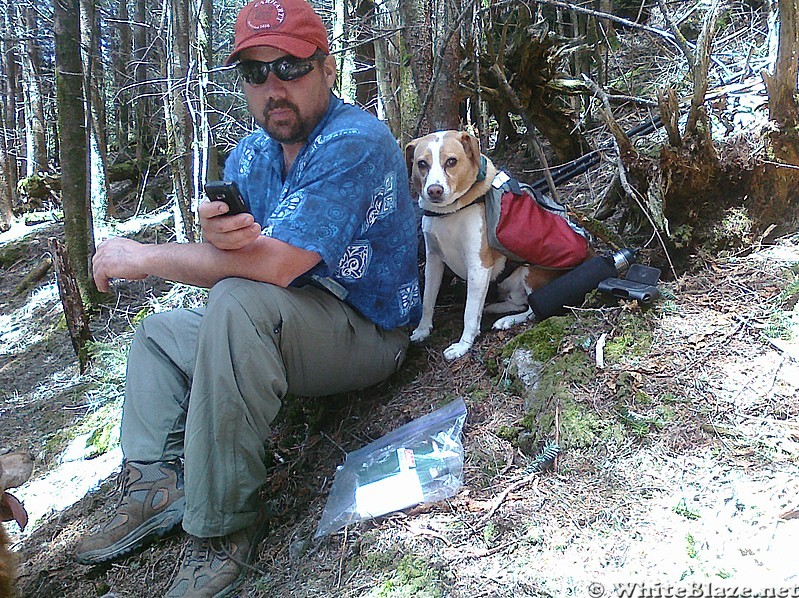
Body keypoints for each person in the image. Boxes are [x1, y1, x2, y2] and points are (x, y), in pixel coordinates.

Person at [74, 0, 421, 595]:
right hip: (291, 321)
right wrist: (217, 236)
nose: (273, 87)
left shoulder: (355, 140)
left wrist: (144, 256)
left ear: (327, 67)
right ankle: (156, 488)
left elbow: (276, 266)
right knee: (160, 336)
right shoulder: (251, 154)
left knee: (234, 301)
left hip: (368, 331)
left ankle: (221, 529)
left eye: (290, 66)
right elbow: (248, 257)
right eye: (255, 72)